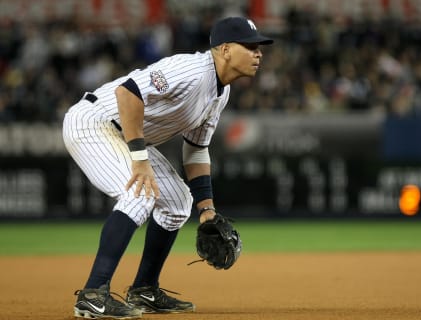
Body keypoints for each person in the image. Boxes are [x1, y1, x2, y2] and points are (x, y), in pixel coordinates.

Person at [63, 16, 273, 319]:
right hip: (93, 123)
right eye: (251, 46)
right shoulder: (191, 69)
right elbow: (127, 93)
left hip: (127, 136)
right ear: (226, 49)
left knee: (177, 203)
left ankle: (144, 289)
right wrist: (139, 158)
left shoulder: (220, 92)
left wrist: (207, 209)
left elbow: (197, 149)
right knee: (140, 193)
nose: (259, 54)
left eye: (259, 48)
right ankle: (93, 295)